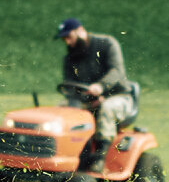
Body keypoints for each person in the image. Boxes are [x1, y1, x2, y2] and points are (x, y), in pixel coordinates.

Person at [54, 17, 136, 170]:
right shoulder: (70, 58)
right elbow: (70, 86)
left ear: (80, 31)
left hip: (118, 96)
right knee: (62, 112)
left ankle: (100, 157)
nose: (67, 42)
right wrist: (79, 98)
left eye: (68, 37)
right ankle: (65, 154)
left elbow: (116, 71)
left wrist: (101, 87)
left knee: (107, 108)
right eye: (64, 39)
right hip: (87, 99)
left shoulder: (107, 44)